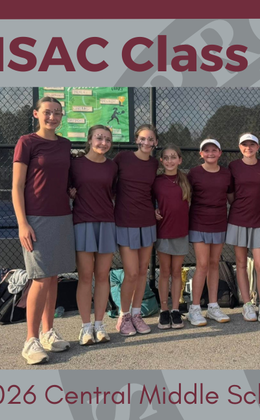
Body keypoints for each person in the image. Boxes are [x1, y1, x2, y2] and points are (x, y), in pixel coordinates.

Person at [12, 96, 74, 365]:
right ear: (36, 114)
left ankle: (48, 332)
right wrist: (22, 223)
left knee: (53, 277)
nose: (52, 117)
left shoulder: (65, 145)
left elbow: (64, 178)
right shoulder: (27, 142)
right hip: (36, 219)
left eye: (57, 113)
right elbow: (16, 186)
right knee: (39, 277)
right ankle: (30, 340)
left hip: (62, 216)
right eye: (47, 112)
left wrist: (71, 191)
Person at [70, 125, 117, 345]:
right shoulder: (75, 165)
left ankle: (100, 325)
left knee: (102, 276)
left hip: (107, 224)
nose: (103, 143)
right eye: (99, 138)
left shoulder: (113, 167)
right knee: (85, 277)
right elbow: (65, 189)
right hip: (83, 223)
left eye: (108, 139)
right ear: (89, 139)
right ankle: (85, 327)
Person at [113, 124, 160, 336]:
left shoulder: (154, 164)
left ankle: (136, 314)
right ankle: (123, 317)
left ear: (155, 142)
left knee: (142, 271)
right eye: (143, 138)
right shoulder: (122, 158)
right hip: (125, 222)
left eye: (151, 139)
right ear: (136, 139)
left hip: (147, 221)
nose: (147, 142)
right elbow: (107, 182)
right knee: (130, 273)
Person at [226, 133, 260, 323]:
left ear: (258, 146)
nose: (248, 147)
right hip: (238, 219)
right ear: (240, 147)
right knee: (241, 264)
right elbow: (230, 195)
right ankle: (247, 304)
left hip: (258, 220)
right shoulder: (234, 166)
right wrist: (240, 205)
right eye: (245, 145)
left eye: (252, 144)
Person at [187, 139, 232, 326]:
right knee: (203, 265)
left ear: (220, 153)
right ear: (201, 154)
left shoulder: (227, 174)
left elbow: (232, 198)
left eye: (214, 150)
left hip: (219, 223)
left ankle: (213, 306)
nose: (211, 153)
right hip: (199, 222)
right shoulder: (194, 173)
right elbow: (185, 197)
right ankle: (195, 308)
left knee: (214, 263)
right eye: (207, 150)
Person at [153, 144, 191, 330]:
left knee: (177, 272)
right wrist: (153, 209)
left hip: (181, 232)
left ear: (180, 159)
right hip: (163, 232)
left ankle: (176, 310)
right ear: (161, 161)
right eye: (166, 157)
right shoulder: (157, 180)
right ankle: (164, 310)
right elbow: (147, 199)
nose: (169, 160)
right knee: (165, 272)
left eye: (173, 157)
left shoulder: (185, 180)